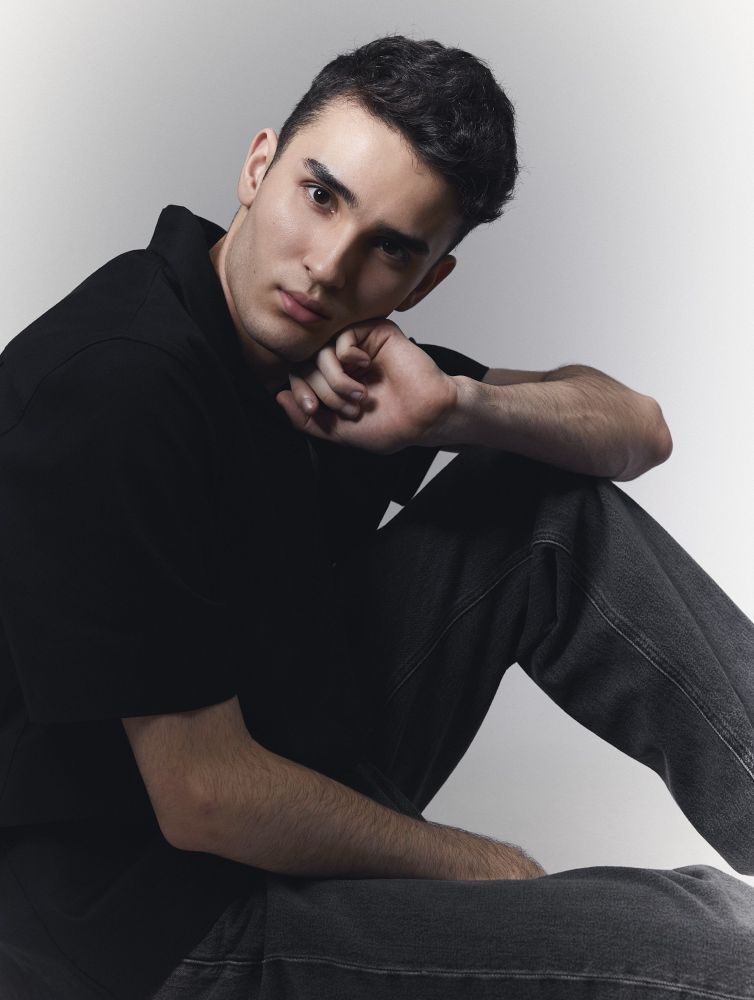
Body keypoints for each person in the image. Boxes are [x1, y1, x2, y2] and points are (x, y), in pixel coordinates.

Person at [0, 32, 752, 1000]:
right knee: (715, 955)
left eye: (389, 247)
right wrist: (484, 869)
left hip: (284, 762)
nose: (327, 268)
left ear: (425, 279)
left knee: (541, 500)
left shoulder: (332, 361)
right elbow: (203, 796)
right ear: (259, 166)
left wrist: (459, 410)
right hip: (143, 925)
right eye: (321, 195)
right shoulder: (118, 384)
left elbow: (638, 430)